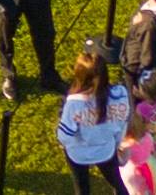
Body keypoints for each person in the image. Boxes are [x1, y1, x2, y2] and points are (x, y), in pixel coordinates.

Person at [56, 52, 131, 195]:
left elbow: (64, 135)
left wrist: (67, 145)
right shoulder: (121, 94)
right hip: (106, 151)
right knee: (118, 184)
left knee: (82, 189)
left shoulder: (74, 103)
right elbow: (121, 124)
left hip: (78, 154)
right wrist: (116, 144)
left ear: (80, 76)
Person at [118, 111, 156, 195]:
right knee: (148, 184)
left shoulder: (126, 145)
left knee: (134, 189)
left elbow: (123, 161)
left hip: (132, 170)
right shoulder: (148, 136)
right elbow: (152, 151)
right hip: (149, 164)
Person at [132, 71, 156, 163]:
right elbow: (152, 101)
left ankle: (154, 164)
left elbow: (139, 125)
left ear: (145, 92)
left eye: (140, 88)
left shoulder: (141, 108)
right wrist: (142, 95)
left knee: (152, 156)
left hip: (151, 136)